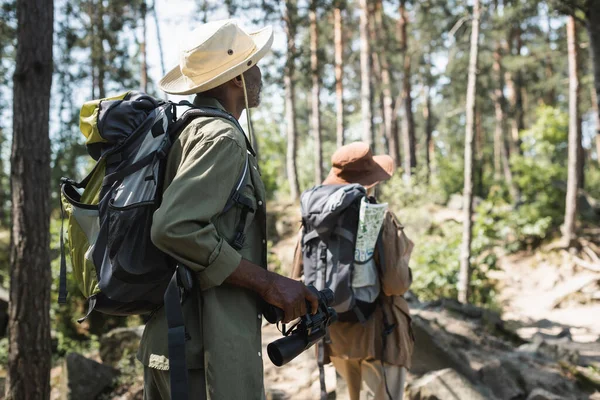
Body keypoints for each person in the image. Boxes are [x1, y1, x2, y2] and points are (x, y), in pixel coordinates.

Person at [137, 19, 318, 400]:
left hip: (179, 344)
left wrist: (264, 293)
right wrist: (268, 282)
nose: (260, 74)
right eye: (253, 64)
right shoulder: (222, 139)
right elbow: (173, 228)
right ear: (238, 77)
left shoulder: (189, 130)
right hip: (203, 355)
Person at [291, 142, 415, 400]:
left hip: (334, 332)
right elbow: (395, 283)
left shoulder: (312, 218)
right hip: (378, 333)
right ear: (370, 181)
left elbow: (297, 273)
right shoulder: (375, 215)